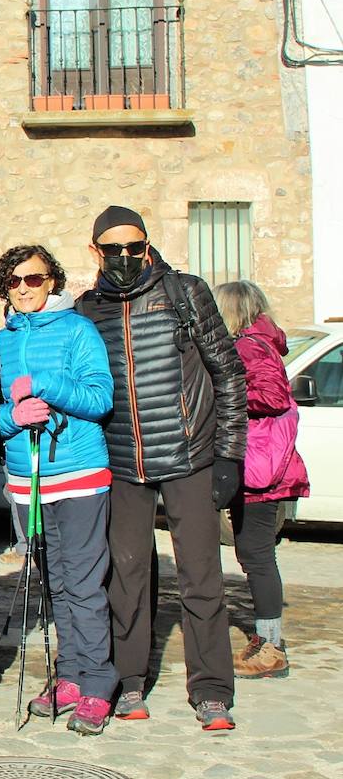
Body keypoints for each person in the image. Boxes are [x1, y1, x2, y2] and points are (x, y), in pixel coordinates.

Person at [77, 205, 246, 732]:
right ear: (96, 252)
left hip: (190, 456)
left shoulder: (185, 293)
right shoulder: (87, 309)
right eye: (113, 249)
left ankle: (212, 689)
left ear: (147, 246)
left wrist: (230, 455)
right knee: (126, 577)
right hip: (122, 462)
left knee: (200, 577)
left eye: (134, 247)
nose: (125, 257)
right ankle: (130, 682)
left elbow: (229, 375)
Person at [0, 245, 117, 735]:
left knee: (85, 583)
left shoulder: (77, 329)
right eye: (15, 281)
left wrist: (47, 386)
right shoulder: (1, 340)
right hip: (27, 479)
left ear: (53, 282)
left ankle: (98, 684)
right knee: (55, 583)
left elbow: (100, 398)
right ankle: (68, 676)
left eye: (35, 279)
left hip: (79, 473)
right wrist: (12, 416)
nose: (25, 288)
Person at [214, 280, 308, 680]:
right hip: (260, 466)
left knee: (257, 556)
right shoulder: (259, 342)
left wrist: (225, 397)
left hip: (261, 470)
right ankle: (268, 640)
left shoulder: (250, 346)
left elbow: (273, 396)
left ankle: (271, 647)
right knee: (253, 554)